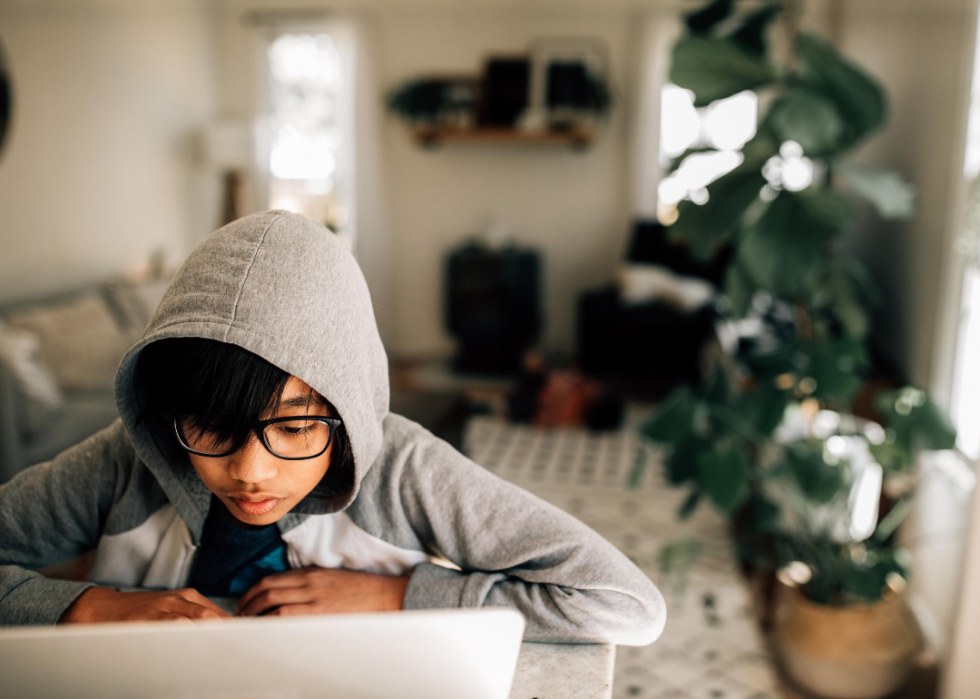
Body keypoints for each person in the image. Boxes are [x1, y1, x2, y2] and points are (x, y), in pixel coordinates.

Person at [0, 211, 666, 644]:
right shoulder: (127, 459)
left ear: (345, 406)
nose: (250, 471)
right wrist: (88, 608)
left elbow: (625, 603)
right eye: (209, 424)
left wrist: (400, 595)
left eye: (292, 428)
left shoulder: (406, 473)